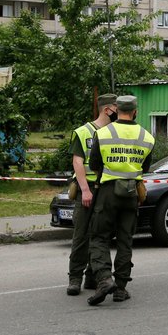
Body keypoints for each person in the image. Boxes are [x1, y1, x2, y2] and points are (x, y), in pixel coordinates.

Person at [86, 95, 155, 306]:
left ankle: (105, 279)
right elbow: (145, 168)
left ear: (116, 111)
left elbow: (95, 164)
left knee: (98, 237)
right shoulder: (147, 137)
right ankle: (121, 288)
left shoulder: (103, 133)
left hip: (107, 191)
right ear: (135, 111)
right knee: (125, 240)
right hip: (132, 193)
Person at [65, 93, 118, 296]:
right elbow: (77, 162)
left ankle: (92, 276)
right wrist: (85, 190)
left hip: (106, 189)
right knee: (81, 235)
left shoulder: (115, 132)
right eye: (116, 107)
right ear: (107, 109)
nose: (118, 111)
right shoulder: (83, 131)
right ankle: (74, 278)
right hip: (87, 189)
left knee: (102, 234)